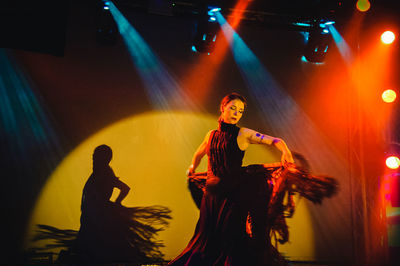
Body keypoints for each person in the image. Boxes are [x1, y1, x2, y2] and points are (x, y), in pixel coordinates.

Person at [168, 93, 294, 266]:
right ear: (223, 107)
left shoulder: (243, 134)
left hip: (232, 197)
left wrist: (285, 151)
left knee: (231, 240)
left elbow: (276, 140)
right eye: (233, 108)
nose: (236, 113)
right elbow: (199, 153)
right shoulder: (211, 135)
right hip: (211, 198)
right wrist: (192, 167)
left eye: (240, 111)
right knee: (207, 240)